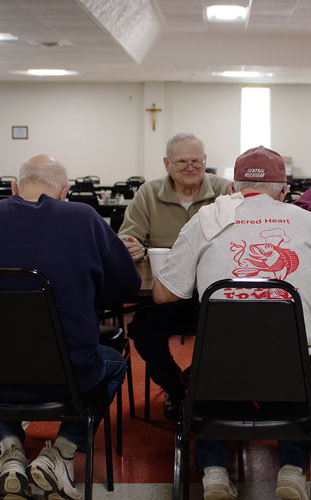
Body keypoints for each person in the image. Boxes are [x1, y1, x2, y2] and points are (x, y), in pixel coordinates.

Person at [0, 155, 141, 500]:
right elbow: (126, 286)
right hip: (67, 378)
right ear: (65, 192)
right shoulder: (83, 218)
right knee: (115, 362)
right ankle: (62, 450)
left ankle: (10, 450)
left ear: (13, 188)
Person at [152, 146, 311, 500]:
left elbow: (163, 295)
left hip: (220, 373)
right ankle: (290, 470)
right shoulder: (305, 220)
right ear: (284, 191)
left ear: (232, 189)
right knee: (302, 367)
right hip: (292, 374)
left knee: (208, 370)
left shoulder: (206, 218)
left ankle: (214, 472)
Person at [119, 132, 229, 420]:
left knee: (233, 327)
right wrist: (130, 246)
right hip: (165, 294)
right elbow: (129, 234)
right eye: (182, 162)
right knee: (142, 330)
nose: (191, 167)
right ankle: (175, 386)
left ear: (205, 161)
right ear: (167, 163)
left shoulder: (223, 190)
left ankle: (208, 387)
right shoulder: (148, 193)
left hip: (212, 293)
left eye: (197, 161)